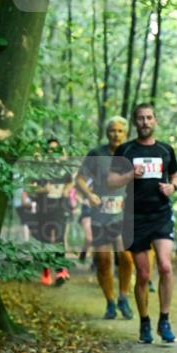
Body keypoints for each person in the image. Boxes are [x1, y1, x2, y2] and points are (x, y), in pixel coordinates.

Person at [109, 103, 177, 344]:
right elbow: (111, 181)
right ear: (134, 122)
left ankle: (165, 319)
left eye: (149, 118)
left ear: (155, 121)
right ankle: (145, 322)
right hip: (135, 218)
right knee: (143, 273)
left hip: (161, 214)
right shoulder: (125, 150)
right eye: (140, 118)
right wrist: (130, 175)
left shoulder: (165, 149)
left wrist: (173, 187)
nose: (145, 122)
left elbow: (175, 175)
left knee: (165, 266)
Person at [76, 116, 135, 319]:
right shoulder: (96, 154)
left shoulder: (130, 152)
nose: (115, 134)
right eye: (112, 130)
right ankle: (110, 302)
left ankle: (123, 297)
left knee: (127, 257)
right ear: (106, 132)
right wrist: (90, 195)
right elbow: (80, 179)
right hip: (100, 214)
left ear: (125, 133)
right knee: (103, 260)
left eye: (119, 131)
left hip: (123, 214)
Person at [29, 138, 73, 286]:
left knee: (59, 238)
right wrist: (42, 189)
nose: (53, 153)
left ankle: (61, 271)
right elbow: (30, 189)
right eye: (50, 150)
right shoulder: (39, 169)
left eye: (56, 150)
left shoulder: (64, 169)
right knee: (45, 239)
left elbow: (70, 182)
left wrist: (66, 190)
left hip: (60, 206)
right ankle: (46, 270)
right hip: (43, 206)